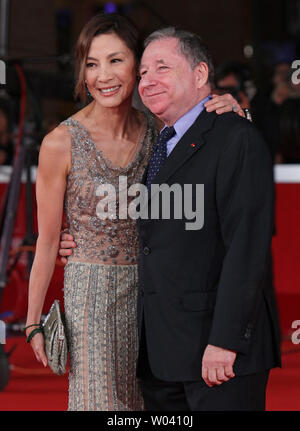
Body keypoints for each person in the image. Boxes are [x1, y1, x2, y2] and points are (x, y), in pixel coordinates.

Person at [25, 14, 242, 412]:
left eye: (116, 61)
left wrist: (231, 107)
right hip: (91, 295)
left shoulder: (161, 129)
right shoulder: (60, 142)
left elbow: (209, 159)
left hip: (155, 293)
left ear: (138, 67)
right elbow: (49, 239)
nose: (102, 76)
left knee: (152, 405)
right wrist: (32, 321)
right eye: (91, 64)